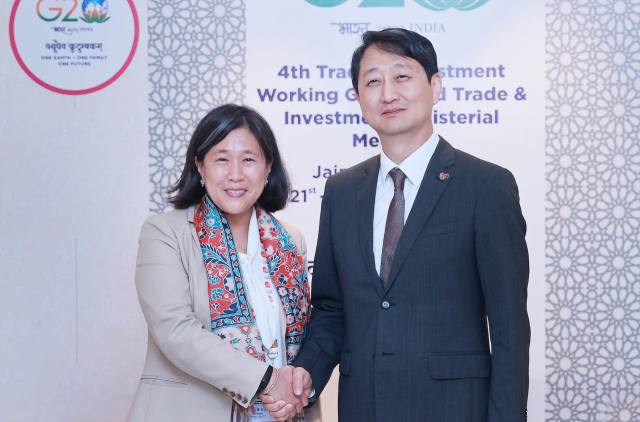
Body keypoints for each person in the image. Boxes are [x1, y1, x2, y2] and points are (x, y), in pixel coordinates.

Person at [264, 28, 530, 421]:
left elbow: (509, 326)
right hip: (363, 409)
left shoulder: (486, 186)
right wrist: (306, 374)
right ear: (358, 99)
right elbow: (332, 309)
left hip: (455, 410)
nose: (388, 94)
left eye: (402, 76)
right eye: (373, 81)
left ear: (435, 85)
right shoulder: (341, 191)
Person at [127, 104, 321, 422]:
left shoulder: (291, 240)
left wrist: (298, 386)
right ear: (200, 166)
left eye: (248, 159)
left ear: (267, 167)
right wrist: (268, 379)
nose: (235, 174)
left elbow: (302, 340)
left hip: (280, 414)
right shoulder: (165, 233)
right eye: (221, 159)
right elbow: (176, 331)